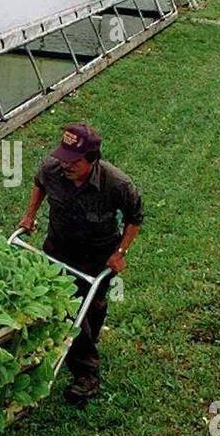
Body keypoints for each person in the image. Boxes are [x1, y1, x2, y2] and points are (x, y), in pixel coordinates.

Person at [18, 123, 143, 407]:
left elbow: (135, 217)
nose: (66, 166)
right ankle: (86, 374)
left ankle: (85, 340)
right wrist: (29, 216)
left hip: (98, 253)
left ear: (92, 159)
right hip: (59, 248)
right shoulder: (52, 168)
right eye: (63, 158)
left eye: (73, 161)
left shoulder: (116, 184)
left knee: (95, 304)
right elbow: (39, 186)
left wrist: (120, 252)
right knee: (71, 310)